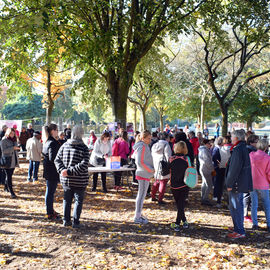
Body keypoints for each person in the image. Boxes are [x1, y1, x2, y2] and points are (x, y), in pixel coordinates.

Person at [55, 126, 90, 228]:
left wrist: (64, 171)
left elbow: (57, 160)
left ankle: (66, 220)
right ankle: (76, 222)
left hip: (66, 179)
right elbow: (84, 164)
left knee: (67, 199)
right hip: (79, 179)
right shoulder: (83, 148)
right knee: (78, 201)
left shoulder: (65, 145)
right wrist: (67, 171)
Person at [225, 129, 253, 239]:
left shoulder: (238, 149)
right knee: (238, 206)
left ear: (236, 138)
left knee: (236, 207)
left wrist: (229, 183)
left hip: (236, 183)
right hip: (240, 183)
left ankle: (239, 230)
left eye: (232, 136)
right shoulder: (242, 148)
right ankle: (238, 227)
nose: (231, 138)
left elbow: (234, 169)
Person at [133, 130, 154, 224]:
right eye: (148, 138)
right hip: (143, 173)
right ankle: (137, 217)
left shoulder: (143, 146)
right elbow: (139, 162)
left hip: (144, 173)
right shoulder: (142, 146)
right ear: (143, 138)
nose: (150, 140)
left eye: (150, 138)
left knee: (141, 195)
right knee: (141, 196)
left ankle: (138, 214)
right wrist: (150, 169)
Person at [249, 139, 270, 232]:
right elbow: (268, 173)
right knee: (267, 204)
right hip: (264, 183)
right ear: (266, 147)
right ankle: (269, 224)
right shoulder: (267, 157)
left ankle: (255, 224)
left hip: (252, 182)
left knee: (254, 204)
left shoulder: (251, 155)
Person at [169, 141, 190, 231]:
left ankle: (177, 223)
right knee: (180, 205)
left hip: (174, 184)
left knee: (179, 204)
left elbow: (168, 170)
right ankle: (184, 221)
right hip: (185, 184)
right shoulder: (187, 159)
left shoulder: (171, 159)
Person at [42, 124, 61, 220]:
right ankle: (49, 212)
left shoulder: (49, 141)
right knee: (50, 192)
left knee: (50, 192)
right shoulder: (52, 143)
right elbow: (53, 158)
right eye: (57, 130)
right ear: (53, 131)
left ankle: (50, 210)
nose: (58, 132)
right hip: (52, 171)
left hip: (50, 171)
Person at [151, 132, 172, 205]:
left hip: (156, 164)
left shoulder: (154, 145)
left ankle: (153, 196)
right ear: (166, 138)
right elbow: (168, 157)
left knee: (157, 181)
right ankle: (160, 199)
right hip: (164, 165)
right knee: (163, 182)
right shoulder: (166, 145)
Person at [0, 128, 20, 198]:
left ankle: (6, 187)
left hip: (14, 160)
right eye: (11, 133)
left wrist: (17, 147)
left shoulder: (14, 140)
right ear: (8, 133)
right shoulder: (4, 140)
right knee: (9, 177)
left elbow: (16, 148)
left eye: (13, 133)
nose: (12, 135)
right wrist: (13, 148)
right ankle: (12, 192)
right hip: (7, 161)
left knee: (9, 175)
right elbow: (3, 151)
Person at [244, 134, 259, 223]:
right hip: (248, 175)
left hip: (250, 175)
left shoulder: (250, 150)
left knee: (248, 195)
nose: (258, 144)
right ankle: (245, 214)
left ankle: (246, 213)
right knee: (246, 195)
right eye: (256, 142)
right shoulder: (250, 151)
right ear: (251, 143)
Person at [198, 139, 215, 205]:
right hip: (206, 169)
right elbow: (207, 161)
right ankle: (205, 198)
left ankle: (203, 197)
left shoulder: (202, 150)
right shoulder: (204, 151)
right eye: (209, 144)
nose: (210, 145)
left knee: (204, 183)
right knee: (209, 184)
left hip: (204, 168)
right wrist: (212, 168)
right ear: (205, 144)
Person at [212, 137, 224, 207]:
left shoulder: (218, 148)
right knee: (217, 182)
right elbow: (214, 158)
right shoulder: (216, 149)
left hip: (218, 167)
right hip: (217, 168)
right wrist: (218, 163)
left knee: (218, 182)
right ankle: (216, 195)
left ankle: (217, 195)